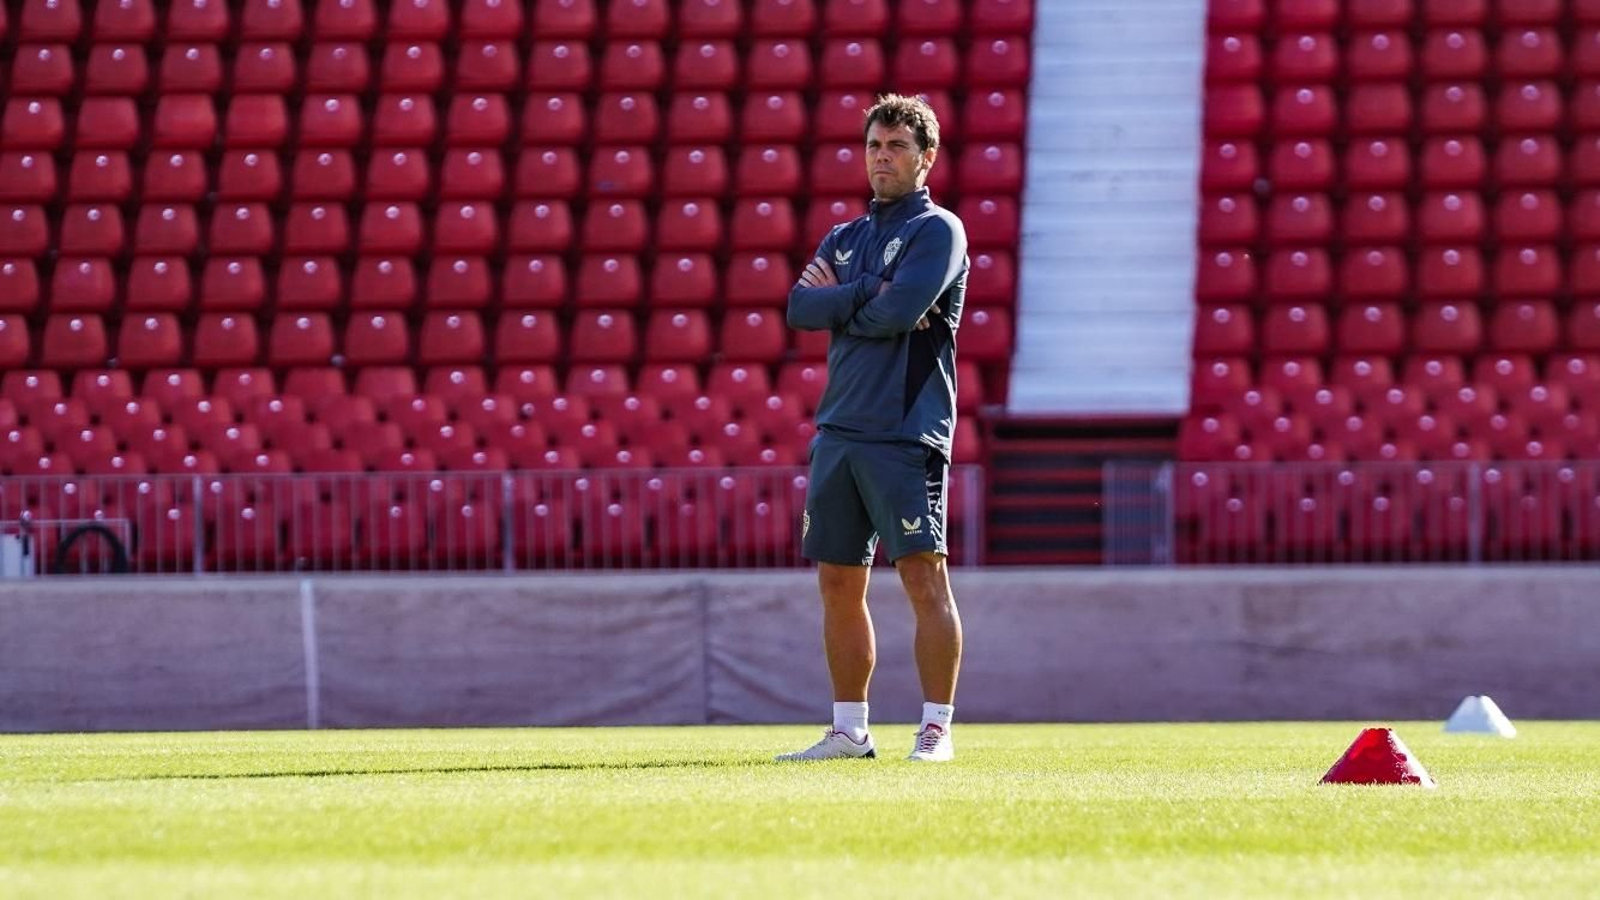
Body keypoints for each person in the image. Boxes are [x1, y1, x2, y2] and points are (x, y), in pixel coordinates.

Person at [776, 94, 969, 763]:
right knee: (837, 581)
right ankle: (849, 731)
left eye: (896, 147)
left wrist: (848, 298)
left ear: (926, 157)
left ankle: (936, 729)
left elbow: (900, 314)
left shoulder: (938, 231)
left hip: (905, 430)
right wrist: (867, 290)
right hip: (840, 429)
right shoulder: (844, 236)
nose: (882, 158)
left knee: (922, 576)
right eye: (874, 146)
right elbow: (800, 308)